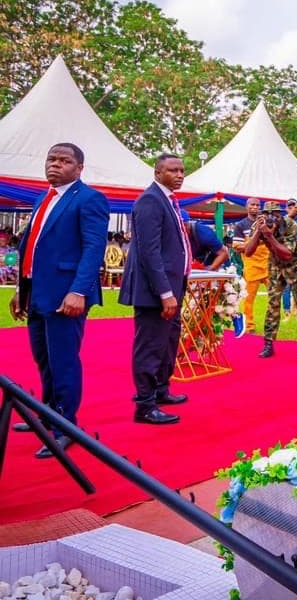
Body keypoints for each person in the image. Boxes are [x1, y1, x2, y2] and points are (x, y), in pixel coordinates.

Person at [9, 143, 108, 456]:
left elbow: (93, 249)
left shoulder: (90, 199)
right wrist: (20, 290)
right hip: (37, 293)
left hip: (67, 296)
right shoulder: (44, 198)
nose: (55, 164)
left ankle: (65, 428)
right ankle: (47, 415)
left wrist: (78, 291)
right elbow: (33, 248)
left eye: (64, 161)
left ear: (79, 168)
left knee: (63, 362)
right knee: (43, 360)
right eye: (51, 159)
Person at [119, 153, 191, 426]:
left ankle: (161, 389)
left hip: (173, 286)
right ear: (157, 173)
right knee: (150, 345)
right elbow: (150, 252)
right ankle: (145, 404)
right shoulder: (150, 200)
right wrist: (165, 292)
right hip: (155, 292)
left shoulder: (168, 200)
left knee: (168, 342)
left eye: (182, 170)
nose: (179, 175)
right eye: (173, 170)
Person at [245, 200, 297, 359]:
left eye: (274, 214)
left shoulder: (290, 224)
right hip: (275, 265)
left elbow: (287, 254)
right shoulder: (258, 224)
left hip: (295, 266)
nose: (270, 218)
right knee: (273, 303)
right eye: (267, 214)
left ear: (280, 214)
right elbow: (248, 252)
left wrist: (269, 236)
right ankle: (268, 344)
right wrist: (258, 232)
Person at [232, 198, 269, 333]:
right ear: (246, 206)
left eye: (257, 205)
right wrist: (255, 242)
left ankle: (271, 325)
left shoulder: (267, 223)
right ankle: (249, 326)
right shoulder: (241, 225)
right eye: (252, 204)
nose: (255, 207)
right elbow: (237, 247)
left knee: (274, 297)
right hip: (252, 266)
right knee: (249, 299)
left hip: (268, 265)